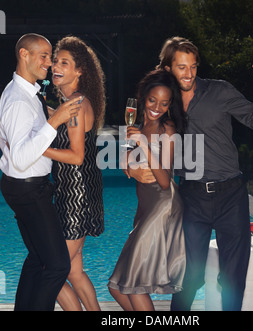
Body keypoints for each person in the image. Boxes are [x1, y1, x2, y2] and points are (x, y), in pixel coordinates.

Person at [154, 36, 253, 311]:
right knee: (188, 277)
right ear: (168, 69)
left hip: (230, 195)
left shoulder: (220, 91)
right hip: (191, 197)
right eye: (182, 67)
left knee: (234, 277)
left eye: (193, 67)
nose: (189, 74)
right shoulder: (163, 103)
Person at [0, 33, 82, 311]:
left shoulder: (27, 93)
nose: (49, 63)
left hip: (24, 186)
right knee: (58, 265)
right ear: (24, 54)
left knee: (37, 258)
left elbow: (14, 141)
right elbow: (22, 159)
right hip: (28, 188)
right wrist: (56, 120)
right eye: (43, 56)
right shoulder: (18, 100)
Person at [107, 70, 187, 311]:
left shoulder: (167, 129)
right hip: (146, 207)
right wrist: (128, 162)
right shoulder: (138, 126)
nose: (157, 107)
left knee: (135, 286)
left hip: (163, 206)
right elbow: (130, 165)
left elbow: (165, 180)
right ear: (143, 98)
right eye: (152, 100)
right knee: (116, 286)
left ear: (170, 105)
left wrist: (143, 143)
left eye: (164, 103)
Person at [43, 36, 106, 311]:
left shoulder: (77, 106)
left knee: (52, 272)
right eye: (55, 61)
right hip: (79, 194)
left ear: (79, 71)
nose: (56, 66)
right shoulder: (73, 102)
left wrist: (37, 149)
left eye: (64, 63)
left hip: (75, 199)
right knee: (73, 271)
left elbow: (76, 156)